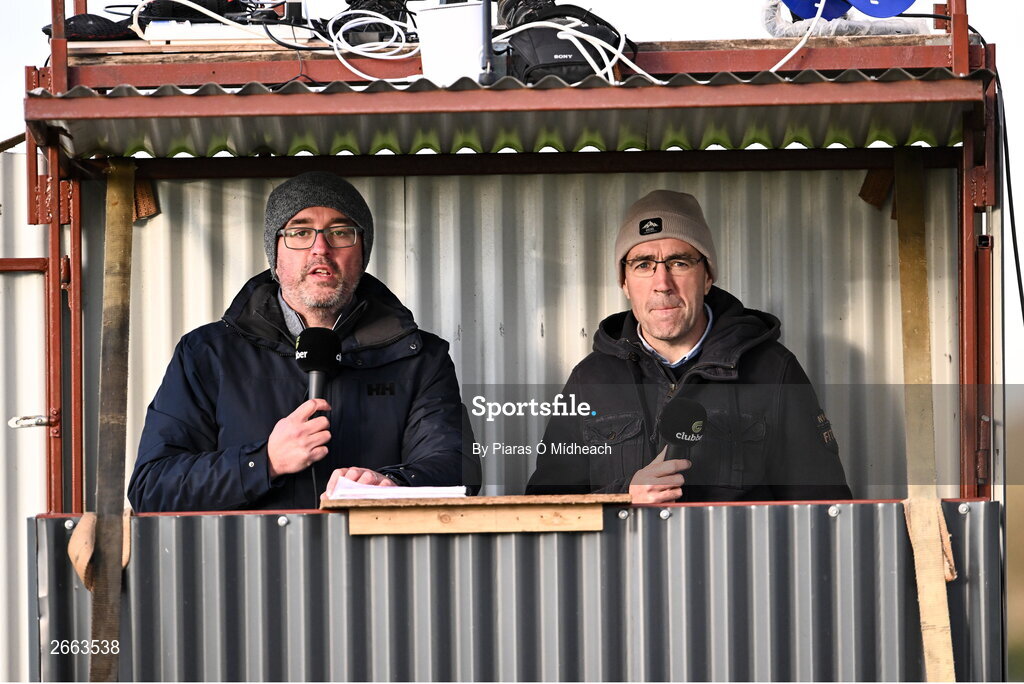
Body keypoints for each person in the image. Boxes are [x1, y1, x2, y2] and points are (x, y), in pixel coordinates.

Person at [128, 172, 479, 512]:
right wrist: (264, 462)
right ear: (275, 254)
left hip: (379, 567)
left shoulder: (420, 357)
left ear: (362, 253)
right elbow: (153, 487)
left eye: (340, 232)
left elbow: (457, 468)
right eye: (300, 232)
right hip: (247, 568)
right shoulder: (207, 355)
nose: (320, 249)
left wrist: (395, 484)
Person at [526, 190, 852, 503]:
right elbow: (546, 511)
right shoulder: (590, 381)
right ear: (624, 282)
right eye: (643, 265)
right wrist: (623, 496)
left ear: (707, 276)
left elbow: (824, 510)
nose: (662, 284)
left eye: (679, 263)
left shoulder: (773, 370)